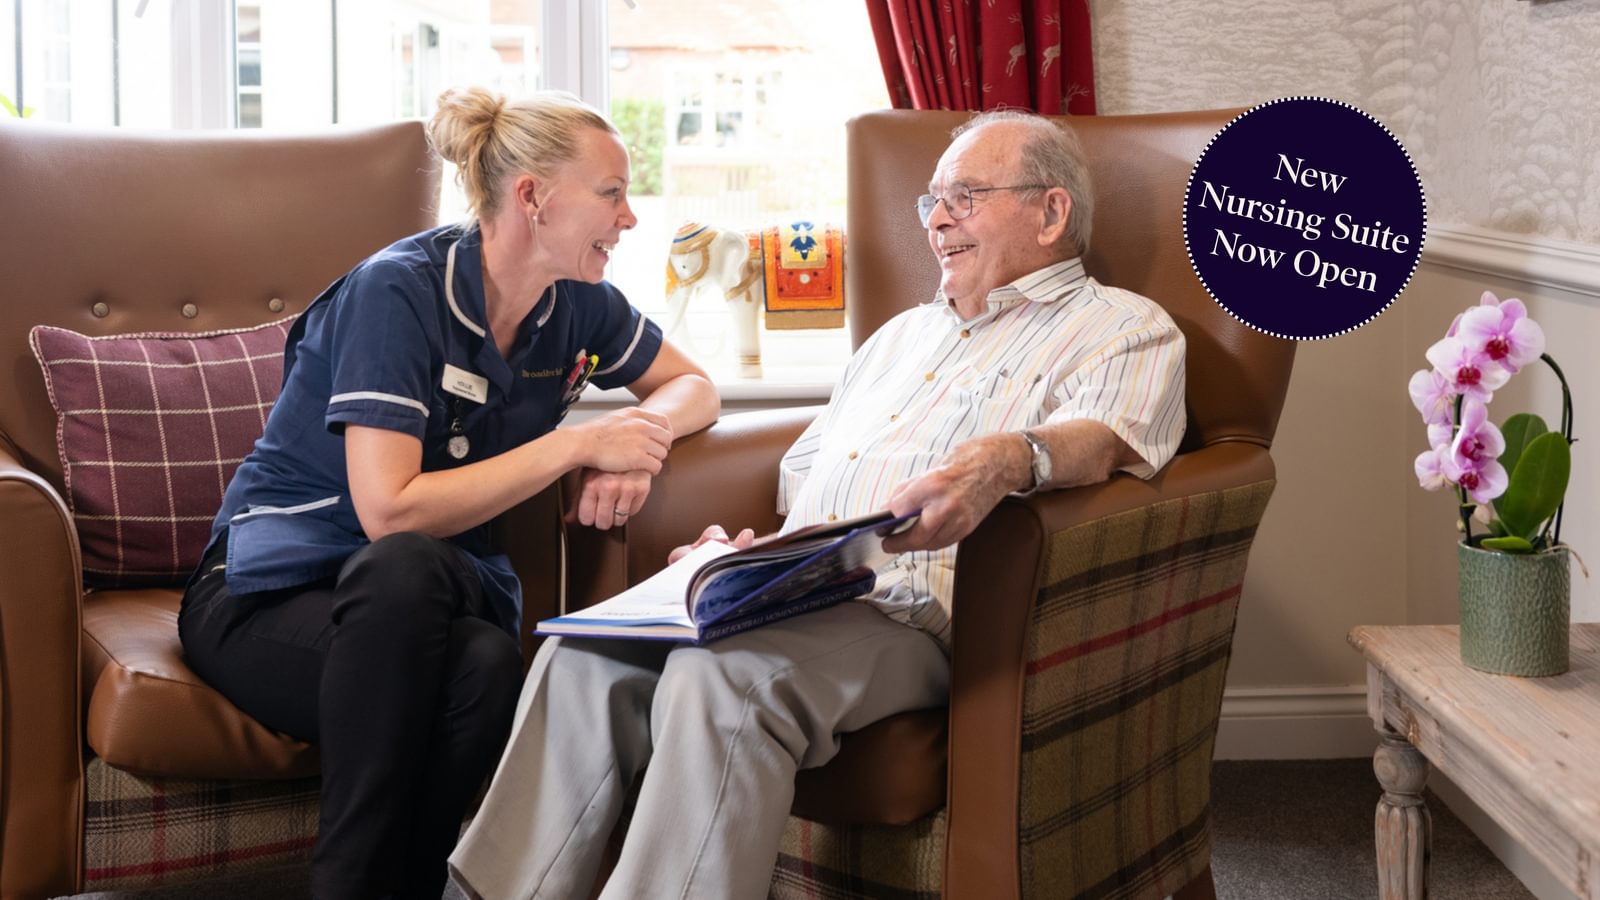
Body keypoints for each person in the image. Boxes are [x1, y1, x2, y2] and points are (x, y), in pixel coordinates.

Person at [448, 109, 1188, 900]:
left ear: (1051, 212)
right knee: (583, 655)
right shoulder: (900, 338)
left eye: (965, 197)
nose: (937, 220)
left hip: (924, 615)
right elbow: (803, 487)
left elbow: (1107, 441)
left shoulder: (1123, 329)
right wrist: (742, 558)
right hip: (798, 592)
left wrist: (1010, 455)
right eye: (932, 201)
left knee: (720, 681)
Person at [176, 86, 718, 900]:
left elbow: (694, 386)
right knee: (460, 637)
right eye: (611, 193)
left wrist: (638, 448)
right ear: (532, 197)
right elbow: (389, 511)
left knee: (471, 643)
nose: (630, 217)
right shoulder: (397, 292)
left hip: (425, 594)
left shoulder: (576, 301)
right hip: (264, 596)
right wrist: (575, 445)